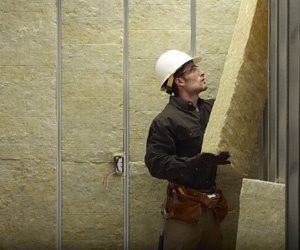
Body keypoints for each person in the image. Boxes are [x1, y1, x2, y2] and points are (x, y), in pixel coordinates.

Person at [144, 50, 231, 250]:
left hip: (210, 210)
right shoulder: (166, 120)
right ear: (179, 82)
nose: (201, 73)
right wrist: (198, 162)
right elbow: (156, 165)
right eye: (193, 70)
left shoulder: (210, 110)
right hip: (183, 215)